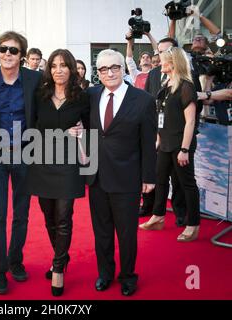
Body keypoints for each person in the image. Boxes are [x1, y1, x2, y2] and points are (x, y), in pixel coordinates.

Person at [87, 49, 156, 296]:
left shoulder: (143, 100)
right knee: (101, 231)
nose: (109, 73)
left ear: (123, 68)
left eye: (114, 67)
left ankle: (128, 276)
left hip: (127, 178)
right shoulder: (91, 95)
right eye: (103, 69)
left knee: (126, 234)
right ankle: (105, 273)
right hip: (96, 177)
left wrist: (149, 177)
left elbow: (148, 142)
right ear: (98, 73)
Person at [0, 31, 42, 294]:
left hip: (25, 153)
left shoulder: (35, 79)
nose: (7, 54)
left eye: (13, 50)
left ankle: (16, 260)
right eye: (3, 49)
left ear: (22, 56)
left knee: (22, 214)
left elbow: (52, 106)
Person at [25, 49, 89, 297]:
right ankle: (61, 255)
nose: (58, 70)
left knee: (64, 217)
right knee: (49, 216)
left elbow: (91, 131)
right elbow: (32, 131)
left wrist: (82, 131)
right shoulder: (39, 96)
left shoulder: (82, 98)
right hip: (42, 163)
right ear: (48, 69)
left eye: (63, 65)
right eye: (54, 65)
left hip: (69, 165)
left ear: (72, 69)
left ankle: (59, 267)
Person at [139, 47, 200, 242]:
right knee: (160, 180)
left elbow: (190, 121)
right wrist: (158, 140)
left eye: (164, 59)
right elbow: (161, 117)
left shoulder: (186, 86)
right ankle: (157, 216)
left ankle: (193, 225)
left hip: (180, 144)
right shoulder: (166, 85)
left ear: (174, 62)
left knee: (187, 185)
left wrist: (184, 149)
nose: (160, 62)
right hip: (164, 143)